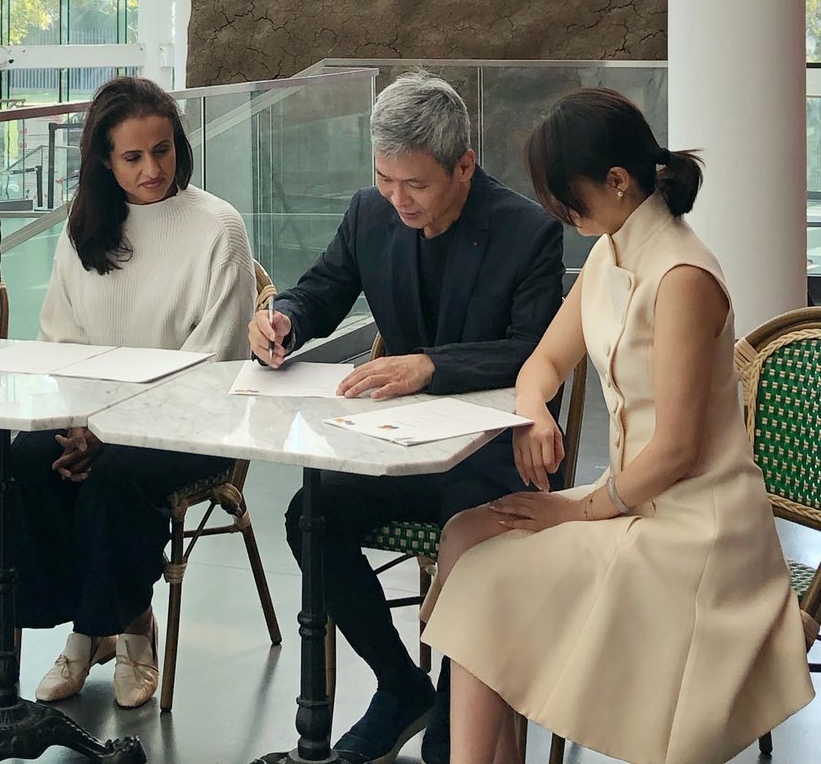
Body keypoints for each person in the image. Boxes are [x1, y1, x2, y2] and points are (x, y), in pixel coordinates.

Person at [422, 87, 817, 764]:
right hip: (635, 500)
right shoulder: (612, 248)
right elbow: (544, 359)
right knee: (465, 534)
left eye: (561, 193)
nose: (555, 209)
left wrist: (572, 513)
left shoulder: (682, 276)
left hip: (697, 530)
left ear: (617, 181)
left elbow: (678, 451)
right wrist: (534, 411)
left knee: (486, 580)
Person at [248, 69, 564, 763]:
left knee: (472, 534)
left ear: (465, 165)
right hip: (397, 444)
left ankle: (458, 706)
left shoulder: (529, 232)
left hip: (493, 453)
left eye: (414, 184)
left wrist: (431, 366)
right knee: (311, 516)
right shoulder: (370, 211)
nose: (397, 199)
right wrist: (283, 322)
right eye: (385, 179)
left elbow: (533, 351)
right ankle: (399, 686)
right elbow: (322, 291)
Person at [10, 76, 256, 709]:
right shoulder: (82, 229)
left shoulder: (216, 226)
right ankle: (108, 618)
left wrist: (109, 429)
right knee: (25, 459)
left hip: (195, 420)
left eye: (164, 150)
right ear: (103, 161)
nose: (153, 169)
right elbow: (59, 343)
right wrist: (79, 425)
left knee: (119, 474)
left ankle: (108, 629)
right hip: (95, 421)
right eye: (134, 157)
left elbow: (215, 357)